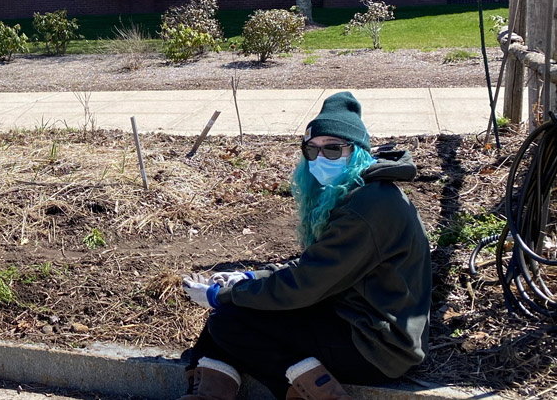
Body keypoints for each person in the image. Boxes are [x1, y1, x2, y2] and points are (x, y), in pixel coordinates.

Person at [178, 92, 431, 400]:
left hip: (378, 347)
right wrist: (250, 277)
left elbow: (304, 285)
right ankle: (207, 393)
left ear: (357, 152)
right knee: (228, 318)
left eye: (333, 149)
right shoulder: (364, 193)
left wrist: (223, 295)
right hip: (361, 321)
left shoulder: (367, 207)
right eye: (312, 149)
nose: (320, 158)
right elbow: (319, 266)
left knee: (230, 322)